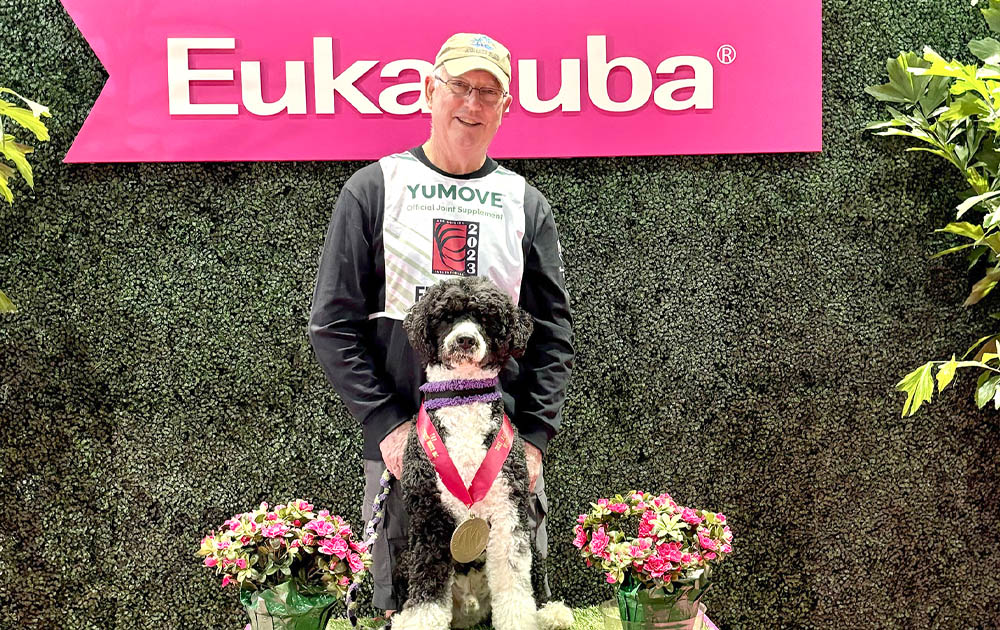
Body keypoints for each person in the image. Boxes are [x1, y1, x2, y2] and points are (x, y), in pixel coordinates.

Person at [308, 32, 573, 618]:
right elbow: (331, 325)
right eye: (459, 86)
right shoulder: (373, 189)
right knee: (409, 604)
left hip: (501, 453)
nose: (472, 104)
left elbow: (552, 336)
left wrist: (532, 438)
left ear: (507, 106)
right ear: (430, 89)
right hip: (408, 452)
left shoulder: (524, 203)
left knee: (512, 601)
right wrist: (387, 425)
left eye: (489, 92)